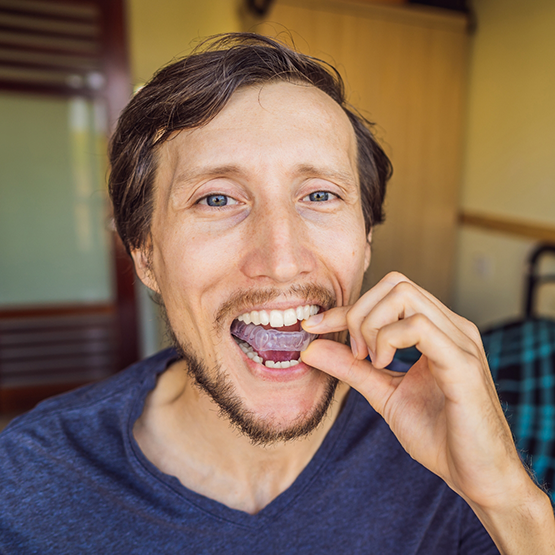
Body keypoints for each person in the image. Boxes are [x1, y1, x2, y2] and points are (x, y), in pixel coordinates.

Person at [0, 33, 553, 554]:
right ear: (146, 256)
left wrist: (507, 497)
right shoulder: (26, 483)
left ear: (365, 242)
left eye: (319, 194)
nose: (282, 258)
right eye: (216, 199)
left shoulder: (444, 452)